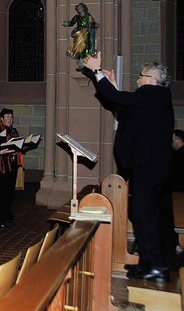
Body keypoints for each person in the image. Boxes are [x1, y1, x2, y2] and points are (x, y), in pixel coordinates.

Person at [84, 51, 174, 282]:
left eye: (141, 76)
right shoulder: (155, 99)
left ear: (152, 80)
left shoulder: (153, 95)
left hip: (148, 168)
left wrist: (96, 71)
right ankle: (149, 263)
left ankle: (156, 266)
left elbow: (120, 100)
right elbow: (124, 108)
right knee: (143, 214)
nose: (138, 80)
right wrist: (111, 84)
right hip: (151, 168)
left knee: (144, 215)